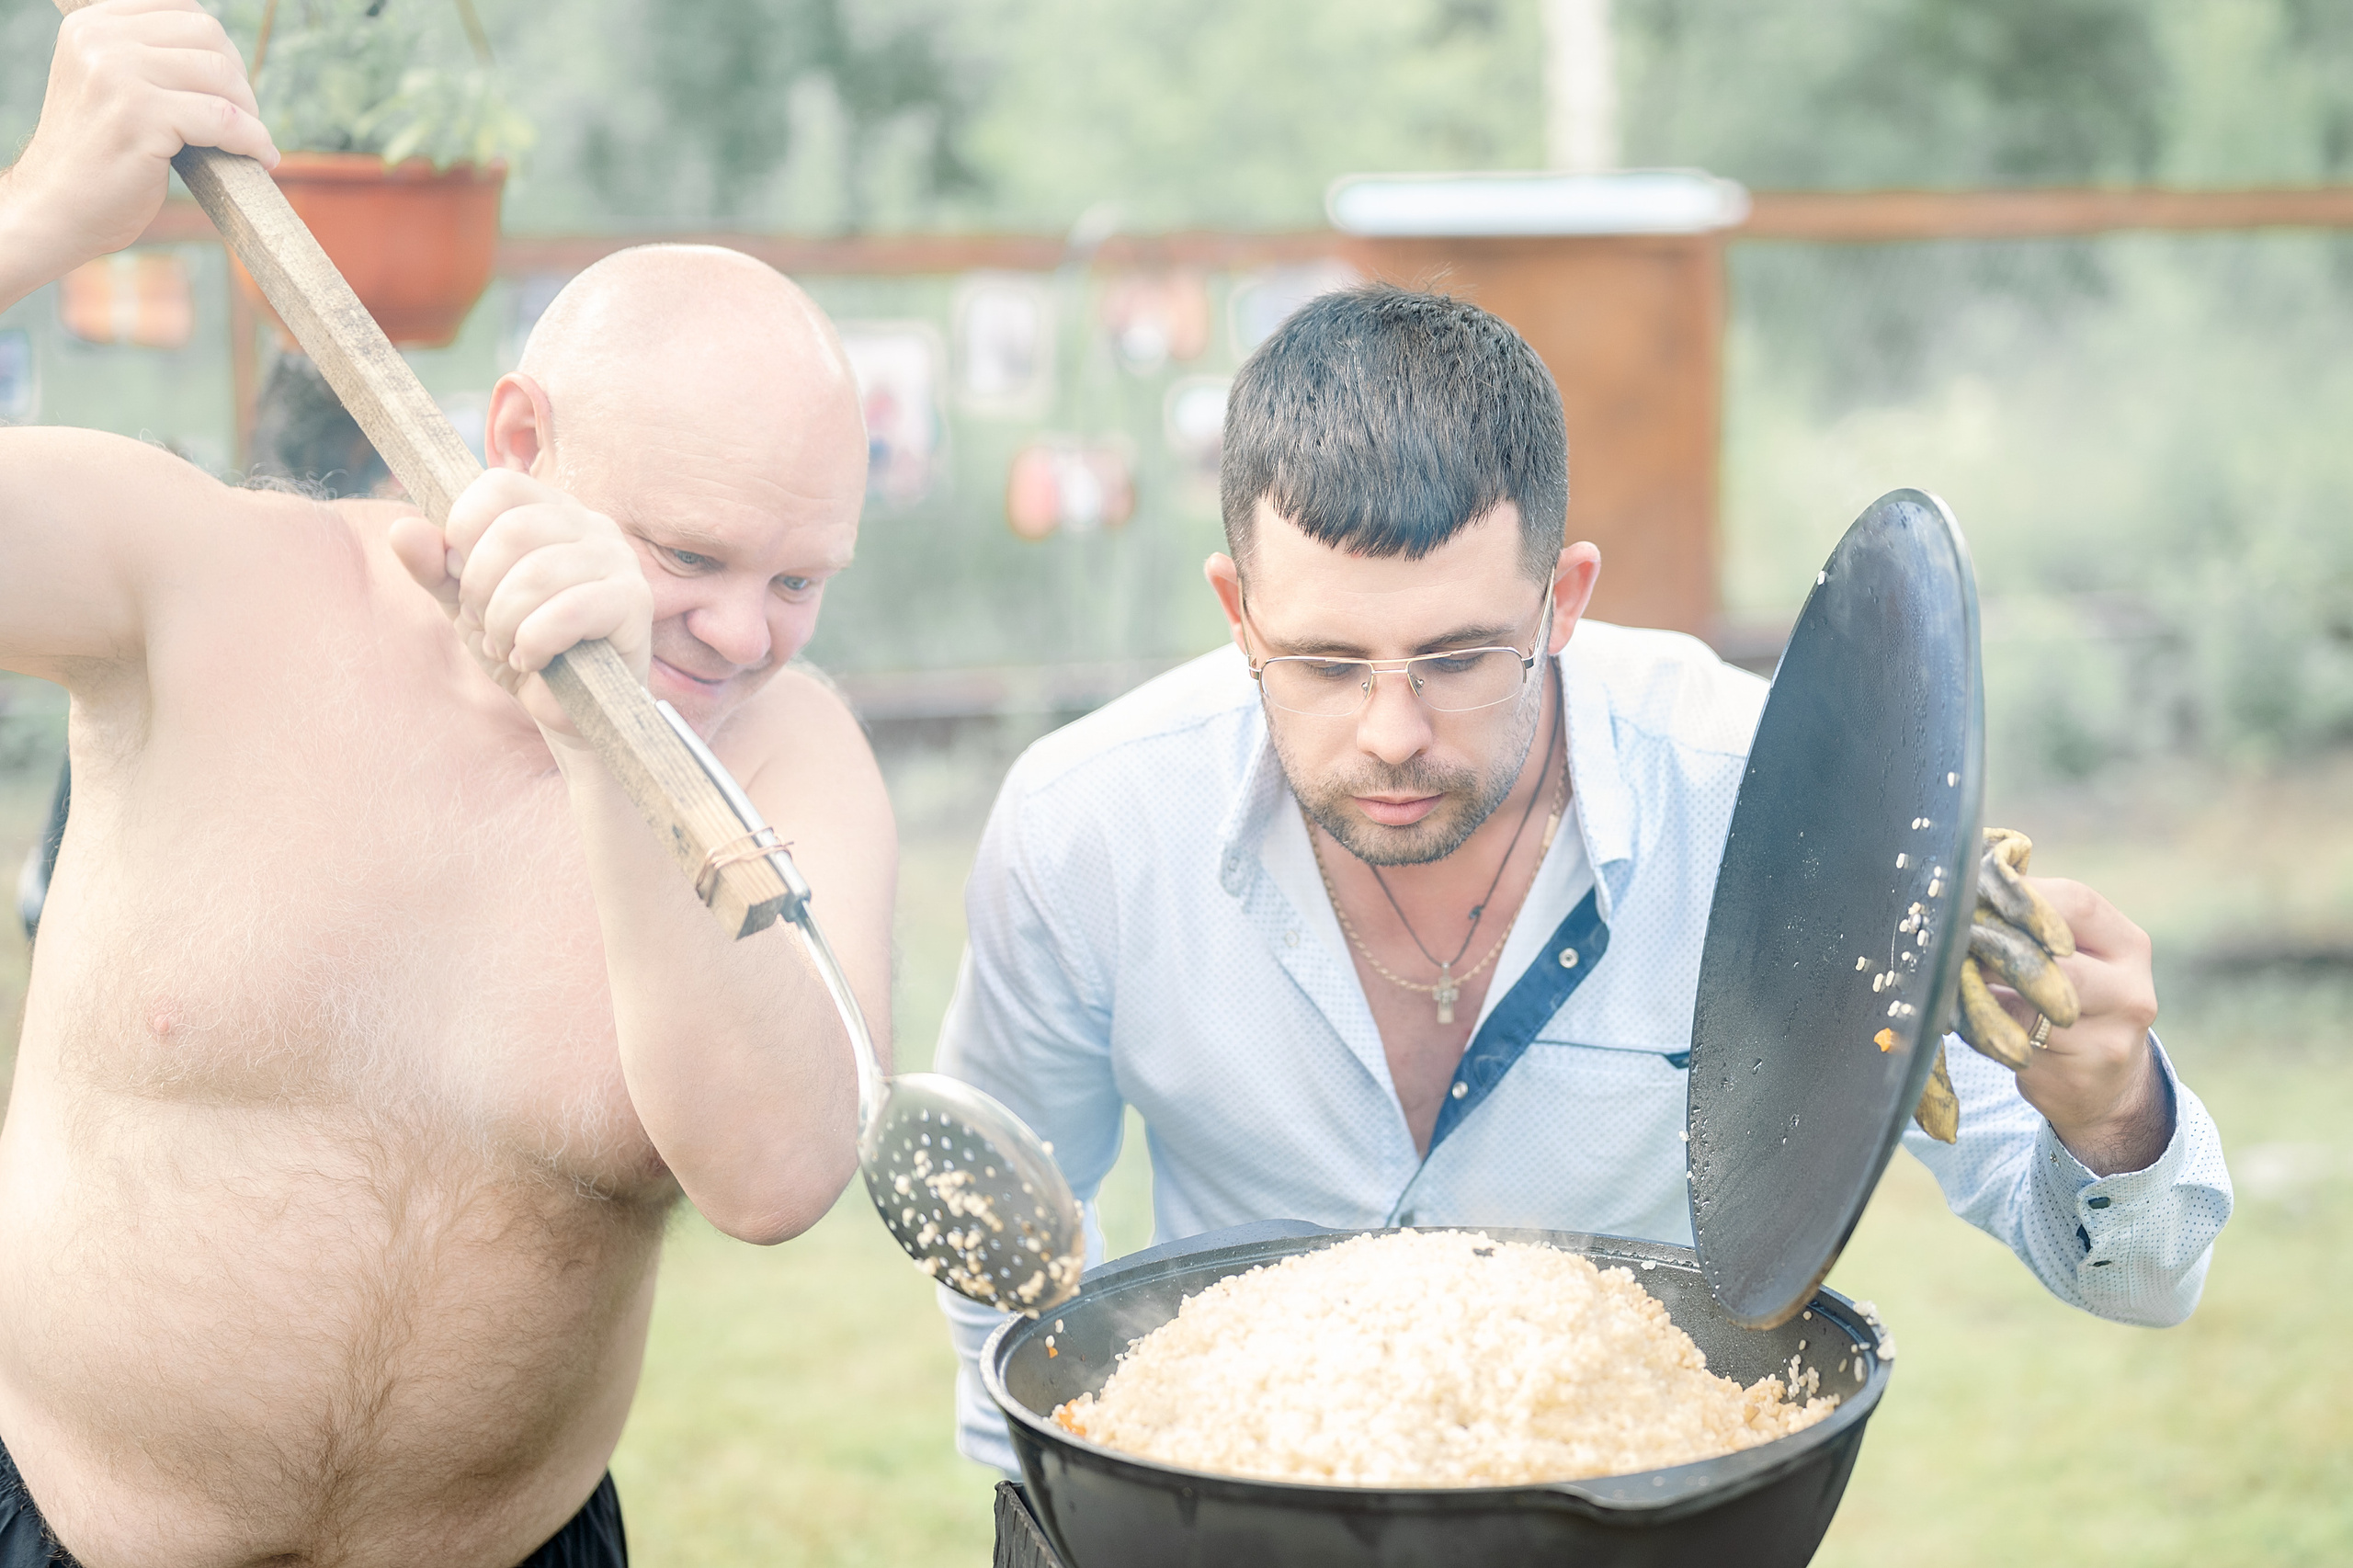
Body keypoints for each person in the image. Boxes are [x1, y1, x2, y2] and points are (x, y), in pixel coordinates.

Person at [933, 284, 2234, 1471]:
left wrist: (2112, 1107)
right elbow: (1001, 1251)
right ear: (1236, 611)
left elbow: (2139, 1278)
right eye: (1326, 664)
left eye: (1458, 657)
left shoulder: (1775, 800)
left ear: (1565, 598)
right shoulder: (1086, 826)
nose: (1391, 732)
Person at [0, 4, 893, 1563]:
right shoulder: (202, 575)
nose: (746, 633)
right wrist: (38, 215)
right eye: (689, 555)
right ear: (520, 436)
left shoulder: (788, 751)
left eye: (800, 580)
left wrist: (609, 746)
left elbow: (777, 1172)